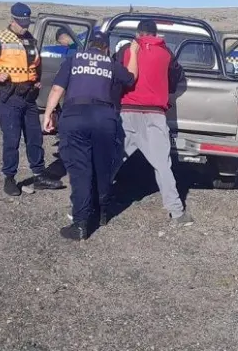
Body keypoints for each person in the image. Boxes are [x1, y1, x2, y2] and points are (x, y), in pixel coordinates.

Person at [43, 30, 139, 240]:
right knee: (102, 168)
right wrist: (134, 52)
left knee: (80, 171)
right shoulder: (110, 64)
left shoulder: (73, 59)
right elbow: (131, 77)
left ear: (89, 46)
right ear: (106, 48)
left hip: (75, 117)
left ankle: (80, 225)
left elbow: (57, 89)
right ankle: (102, 212)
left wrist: (48, 114)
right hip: (104, 118)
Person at [0, 2, 64, 196]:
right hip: (10, 95)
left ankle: (39, 175)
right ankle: (9, 178)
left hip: (29, 95)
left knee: (34, 137)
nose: (25, 26)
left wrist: (37, 80)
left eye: (27, 22)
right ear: (12, 19)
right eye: (21, 22)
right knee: (12, 139)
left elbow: (35, 62)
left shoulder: (30, 39)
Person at [113, 19, 194, 226]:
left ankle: (90, 203)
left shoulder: (126, 51)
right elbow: (176, 80)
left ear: (138, 33)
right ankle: (176, 213)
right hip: (155, 115)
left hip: (127, 113)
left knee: (112, 161)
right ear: (155, 34)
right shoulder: (166, 53)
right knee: (162, 165)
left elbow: (115, 75)